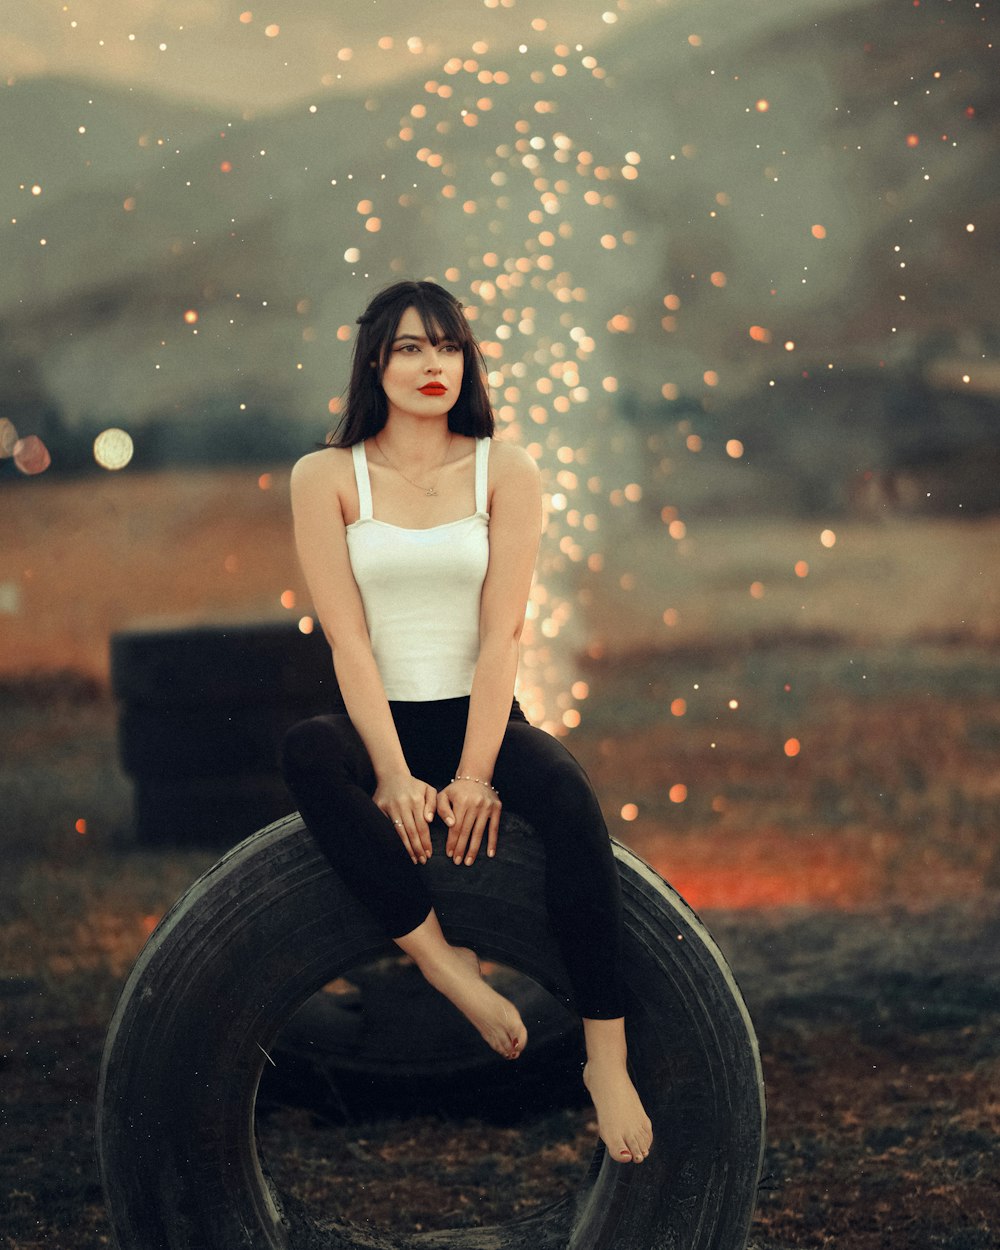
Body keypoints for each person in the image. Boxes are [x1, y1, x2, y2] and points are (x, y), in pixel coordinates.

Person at [281, 280, 653, 1165]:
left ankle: (607, 1058)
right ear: (376, 361)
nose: (431, 364)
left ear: (467, 361)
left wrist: (477, 772)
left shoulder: (504, 469)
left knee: (566, 797)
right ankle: (450, 971)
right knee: (304, 751)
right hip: (381, 719)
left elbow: (504, 631)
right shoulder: (327, 476)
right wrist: (394, 772)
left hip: (478, 715)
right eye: (410, 347)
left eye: (447, 347)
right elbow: (348, 638)